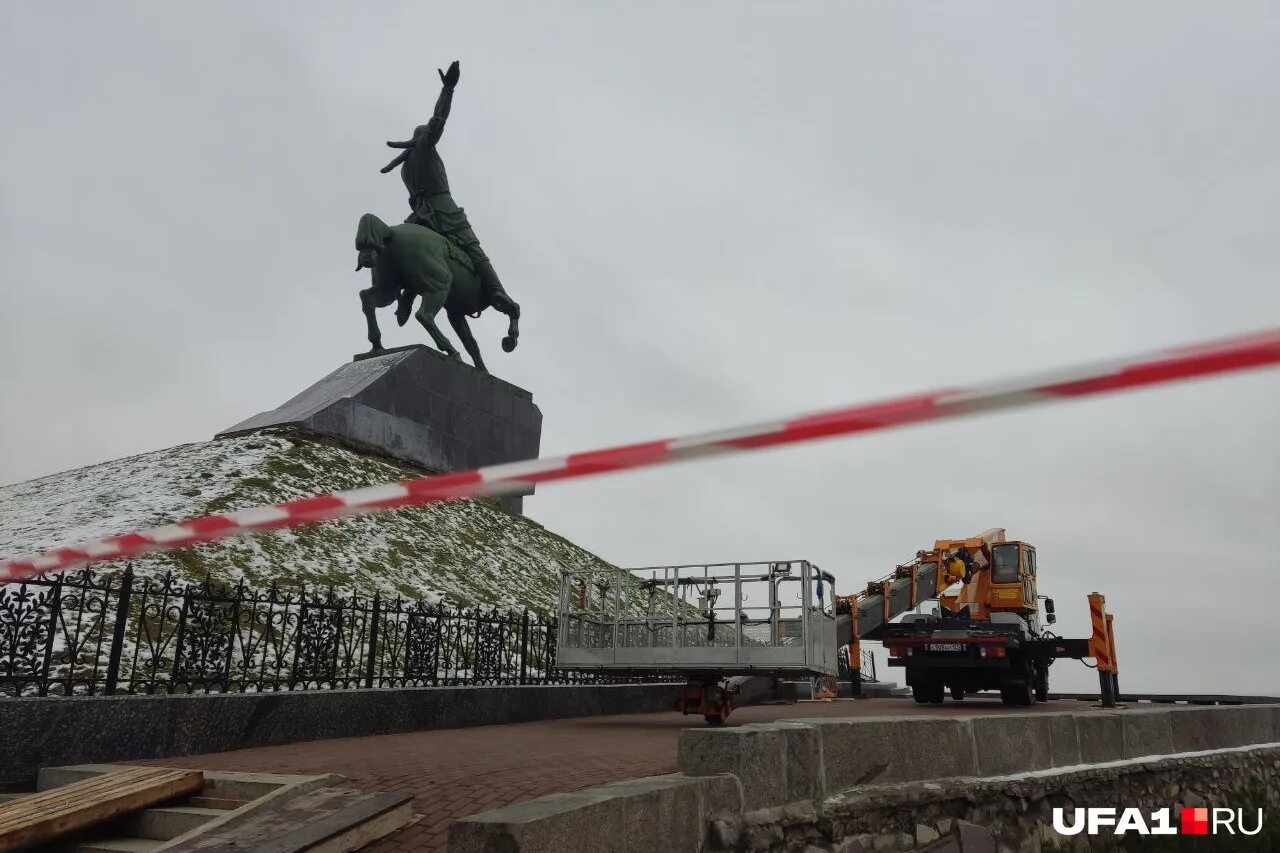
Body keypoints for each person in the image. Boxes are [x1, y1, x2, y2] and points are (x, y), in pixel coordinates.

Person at [381, 61, 518, 330]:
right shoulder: (425, 148)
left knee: (409, 243)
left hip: (419, 214)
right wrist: (448, 90)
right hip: (443, 208)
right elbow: (438, 120)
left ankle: (407, 296)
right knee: (474, 249)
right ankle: (498, 290)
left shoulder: (406, 166)